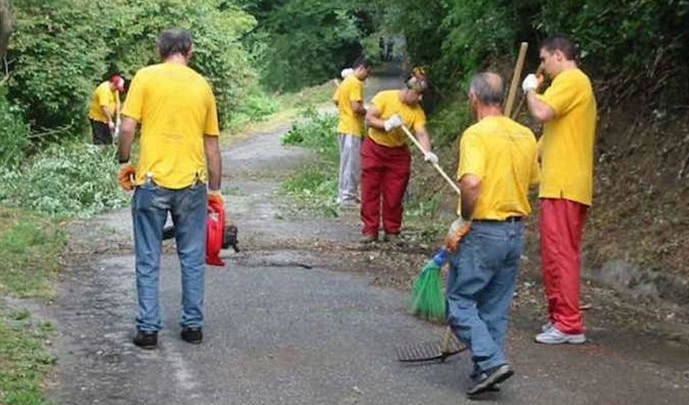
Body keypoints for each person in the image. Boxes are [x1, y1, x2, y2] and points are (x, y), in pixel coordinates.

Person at [117, 28, 222, 349]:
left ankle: (148, 329)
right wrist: (215, 192)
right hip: (192, 184)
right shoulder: (202, 85)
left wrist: (124, 160)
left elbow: (128, 127)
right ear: (189, 50)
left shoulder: (146, 78)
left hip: (151, 181)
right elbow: (212, 146)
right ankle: (192, 326)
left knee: (148, 255)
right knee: (191, 257)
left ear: (160, 50)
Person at [446, 72, 539, 396]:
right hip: (515, 231)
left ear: (474, 96)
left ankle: (491, 360)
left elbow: (471, 182)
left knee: (459, 301)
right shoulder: (526, 134)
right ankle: (485, 370)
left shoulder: (476, 135)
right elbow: (532, 180)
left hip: (484, 230)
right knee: (494, 307)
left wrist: (464, 219)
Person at [522, 35, 597, 345]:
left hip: (565, 185)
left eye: (543, 59)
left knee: (560, 254)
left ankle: (568, 323)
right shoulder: (567, 86)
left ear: (558, 55)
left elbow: (541, 113)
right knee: (554, 253)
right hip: (558, 183)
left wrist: (529, 90)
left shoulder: (572, 79)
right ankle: (560, 316)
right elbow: (546, 139)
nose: (542, 66)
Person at [361, 67, 438, 243]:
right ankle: (370, 230)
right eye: (417, 94)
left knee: (395, 193)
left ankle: (392, 230)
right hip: (374, 148)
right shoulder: (384, 97)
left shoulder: (417, 112)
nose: (420, 98)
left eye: (422, 94)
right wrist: (386, 123)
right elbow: (369, 119)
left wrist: (428, 152)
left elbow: (421, 133)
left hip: (397, 153)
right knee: (370, 190)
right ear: (408, 89)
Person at [333, 57, 371, 208]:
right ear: (361, 68)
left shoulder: (346, 81)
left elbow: (335, 100)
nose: (367, 76)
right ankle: (348, 198)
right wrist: (368, 112)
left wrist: (344, 108)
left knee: (345, 163)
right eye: (367, 72)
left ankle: (344, 194)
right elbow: (356, 107)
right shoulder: (355, 82)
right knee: (353, 164)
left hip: (343, 126)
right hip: (352, 128)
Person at [88, 75, 124, 145]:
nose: (117, 90)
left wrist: (118, 118)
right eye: (117, 88)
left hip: (107, 118)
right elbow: (104, 107)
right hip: (98, 118)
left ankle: (107, 153)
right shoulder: (103, 90)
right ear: (113, 83)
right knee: (99, 139)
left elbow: (117, 103)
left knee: (109, 140)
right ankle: (97, 154)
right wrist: (110, 120)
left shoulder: (115, 90)